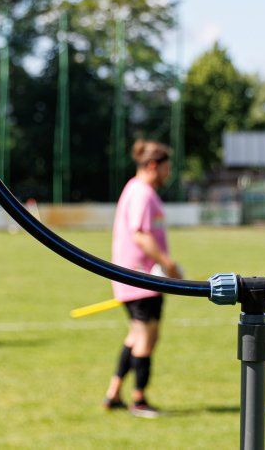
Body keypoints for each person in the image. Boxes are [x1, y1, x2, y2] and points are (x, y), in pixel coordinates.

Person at [102, 140, 182, 419]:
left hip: (139, 278)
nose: (168, 174)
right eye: (166, 168)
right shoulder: (141, 193)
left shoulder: (138, 191)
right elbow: (140, 234)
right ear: (153, 166)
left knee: (137, 335)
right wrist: (168, 263)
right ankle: (139, 400)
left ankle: (113, 393)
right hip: (141, 279)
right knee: (147, 337)